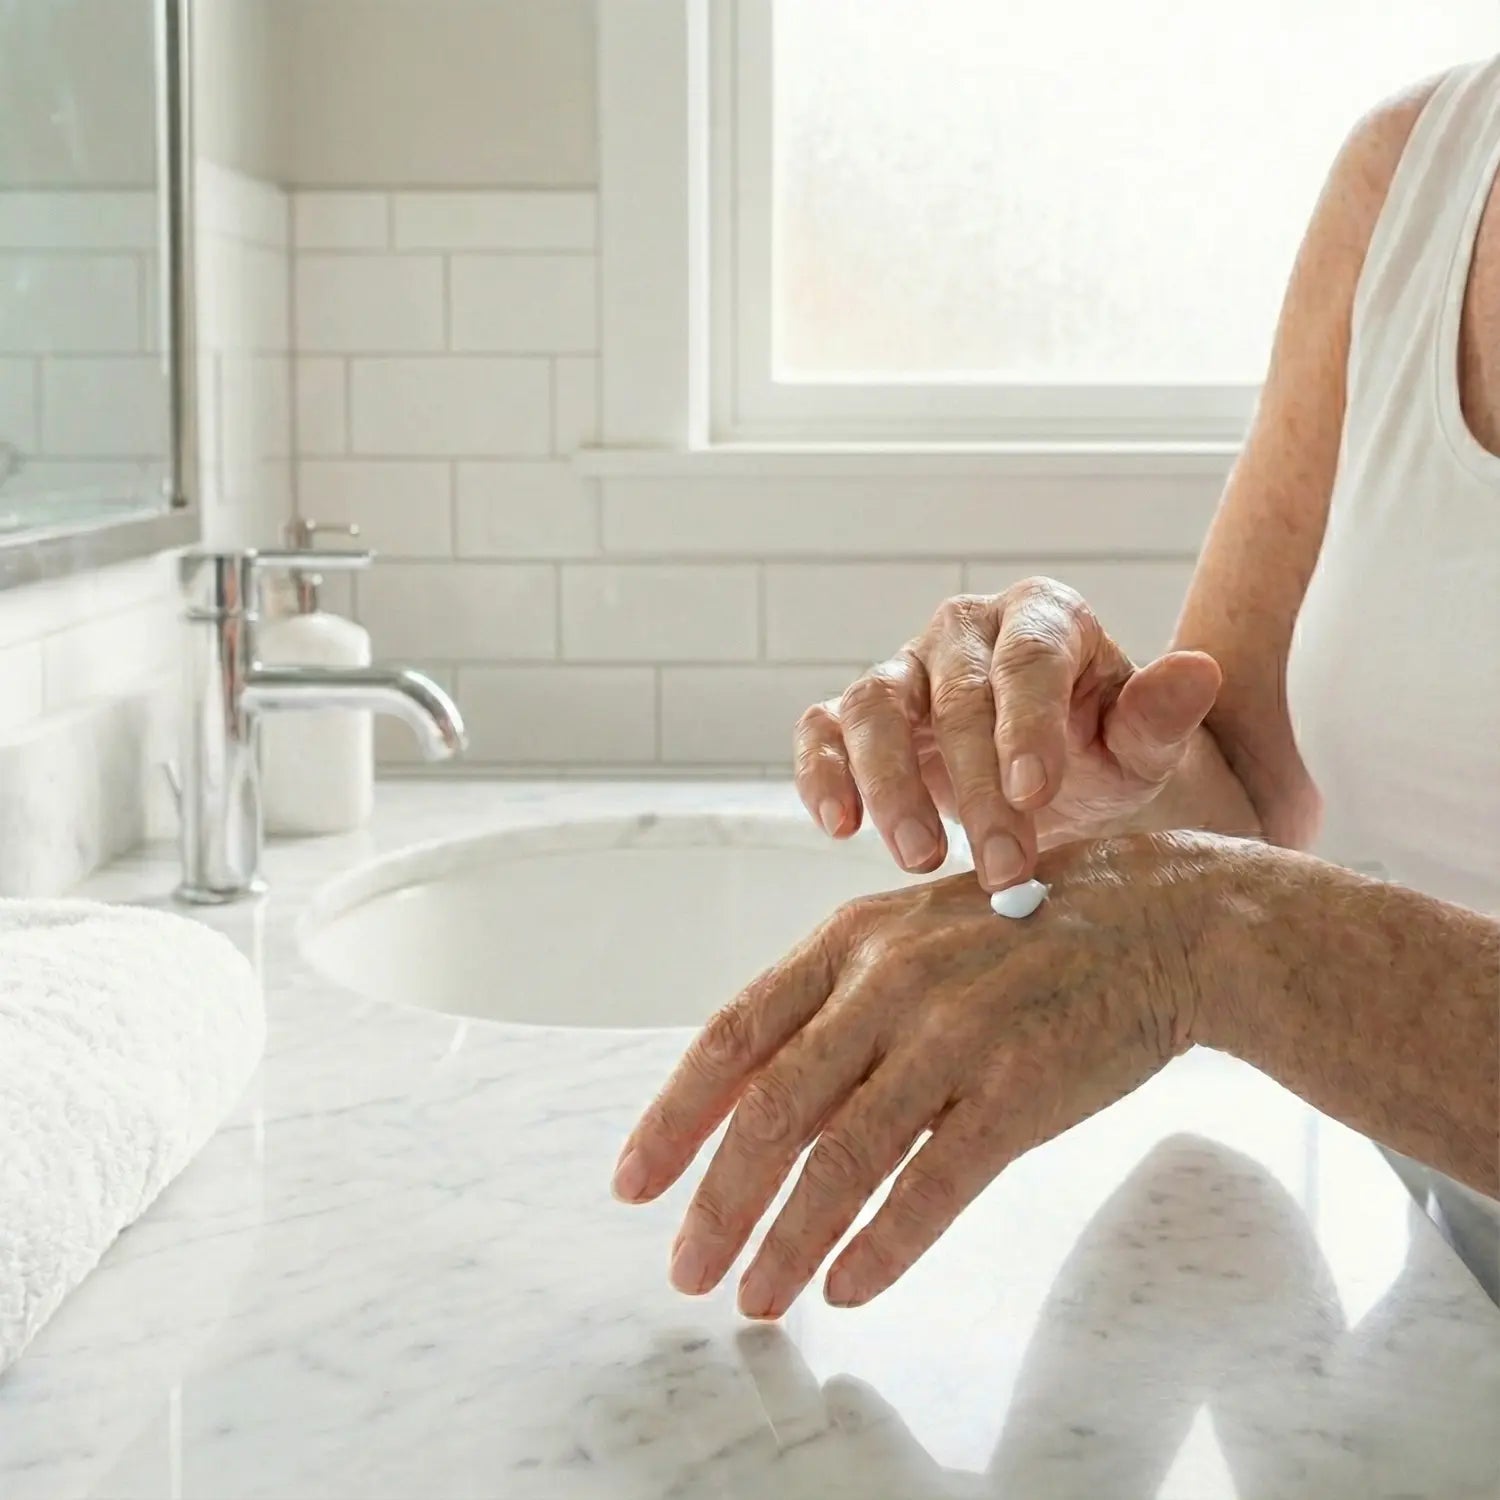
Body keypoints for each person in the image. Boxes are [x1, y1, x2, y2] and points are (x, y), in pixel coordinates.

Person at [614, 58, 1500, 1321]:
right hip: (1429, 1285)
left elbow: (1223, 900)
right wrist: (1090, 776)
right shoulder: (1413, 178)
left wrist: (1221, 932)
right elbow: (1238, 791)